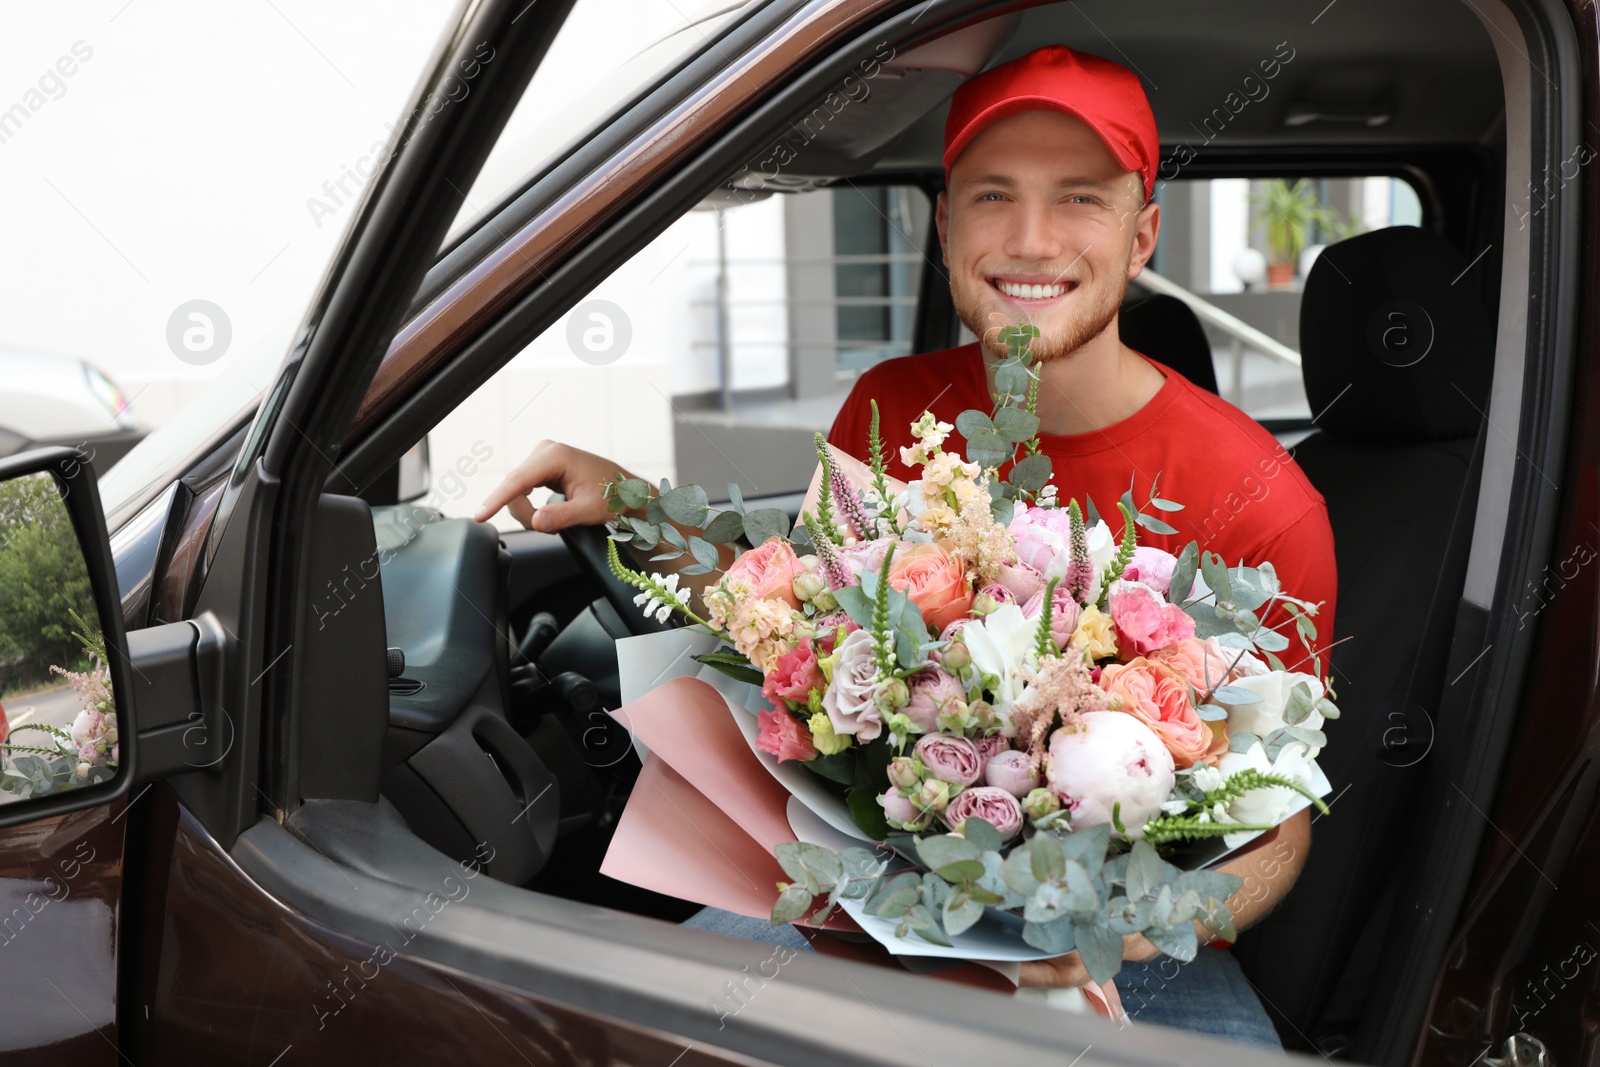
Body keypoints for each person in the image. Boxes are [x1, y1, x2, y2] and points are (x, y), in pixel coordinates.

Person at [477, 44, 1336, 1052]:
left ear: (1141, 233)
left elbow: (1278, 823)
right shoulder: (891, 404)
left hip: (1116, 959)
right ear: (942, 225)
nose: (1029, 239)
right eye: (990, 197)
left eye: (1079, 200)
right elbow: (794, 625)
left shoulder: (1261, 501)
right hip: (870, 919)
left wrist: (1139, 924)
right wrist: (636, 511)